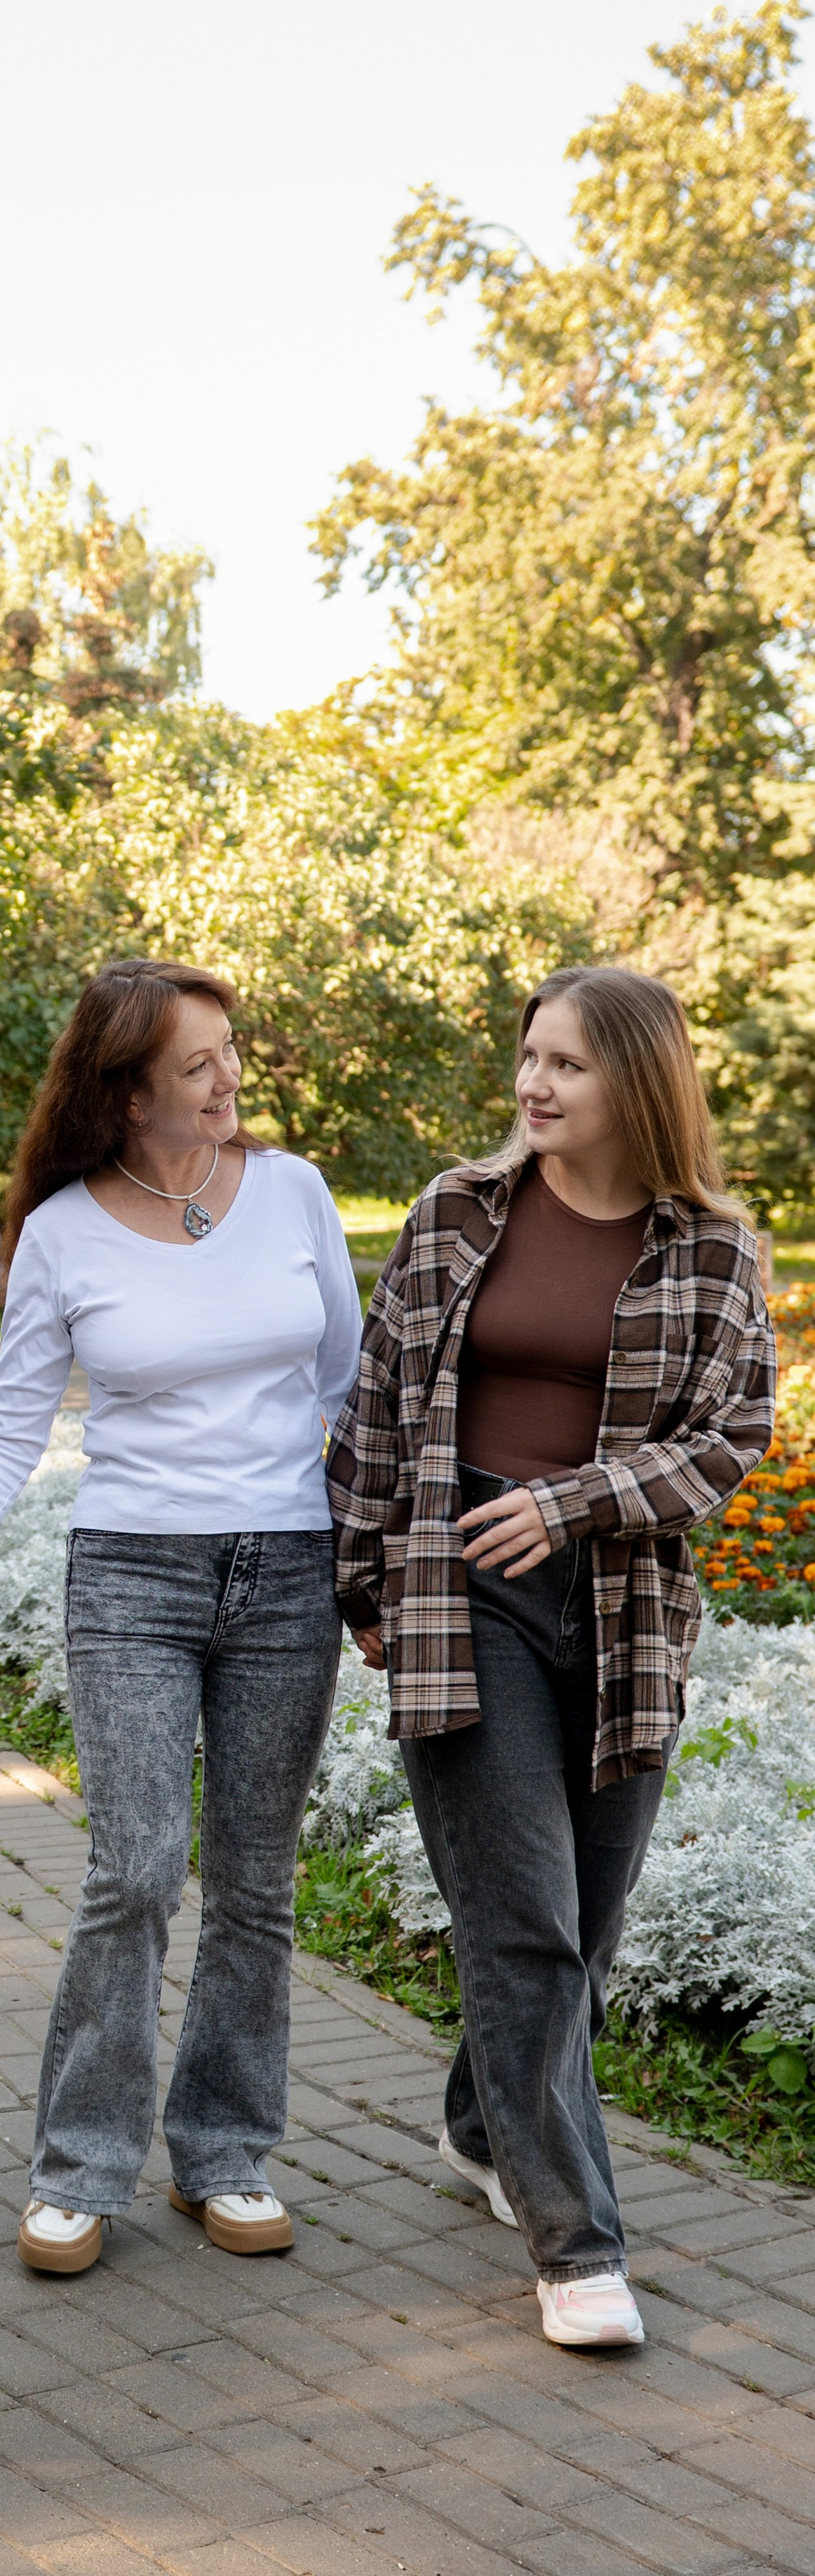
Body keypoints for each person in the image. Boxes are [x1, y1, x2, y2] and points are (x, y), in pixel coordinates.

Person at [328, 965, 774, 2352]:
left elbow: (729, 1435)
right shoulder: (456, 1214)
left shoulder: (707, 1247)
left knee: (579, 1923)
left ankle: (480, 2122)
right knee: (520, 1918)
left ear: (634, 1081)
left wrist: (571, 1503)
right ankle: (574, 2246)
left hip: (626, 1611)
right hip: (462, 1597)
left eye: (567, 1064)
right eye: (528, 1056)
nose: (533, 1083)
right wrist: (362, 1581)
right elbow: (374, 1401)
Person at [0, 960, 361, 2275]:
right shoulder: (63, 1226)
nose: (229, 1076)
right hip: (134, 1575)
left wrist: (380, 1569)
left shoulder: (291, 1193)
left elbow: (353, 1389)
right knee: (133, 1869)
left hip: (287, 1571)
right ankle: (80, 2167)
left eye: (231, 1050)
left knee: (254, 1880)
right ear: (126, 1094)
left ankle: (227, 2151)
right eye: (198, 1064)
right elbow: (11, 1424)